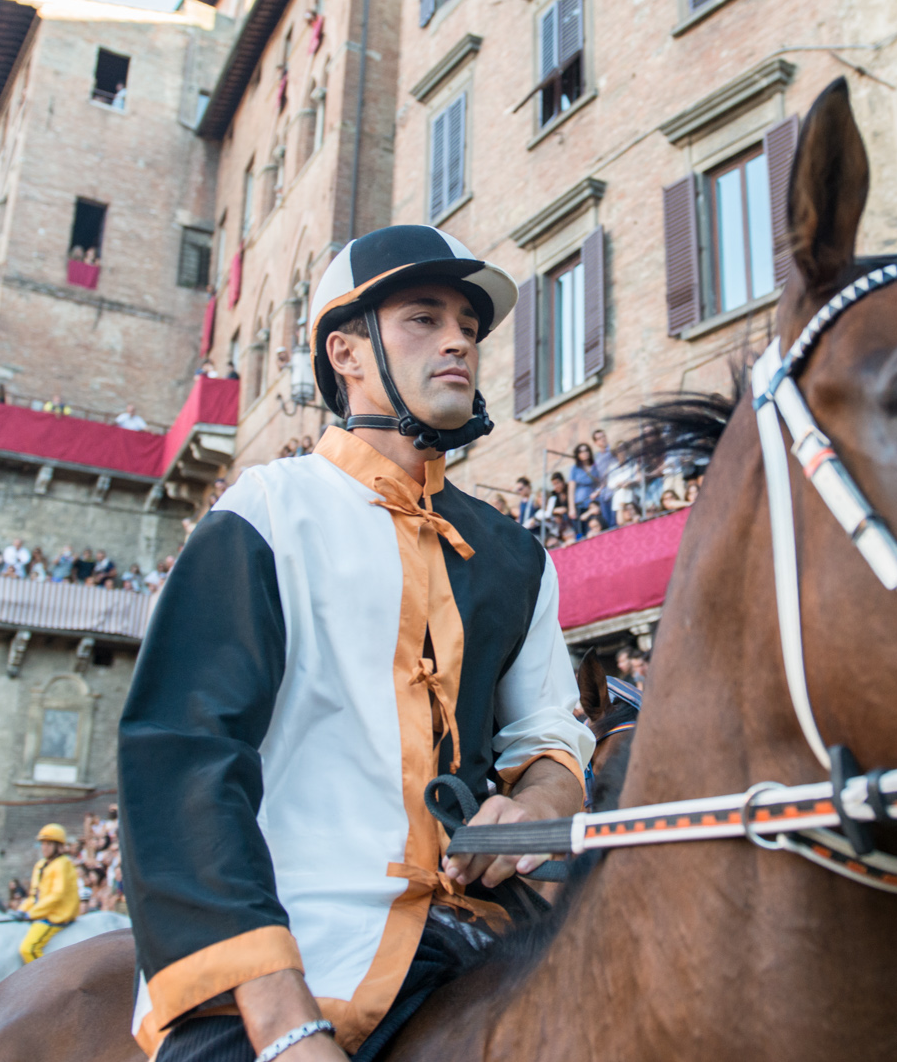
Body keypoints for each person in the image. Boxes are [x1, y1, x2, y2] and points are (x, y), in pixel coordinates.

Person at [120, 225, 591, 1062]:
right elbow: (182, 762)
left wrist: (538, 807)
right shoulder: (263, 513)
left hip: (488, 935)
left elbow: (549, 736)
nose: (458, 339)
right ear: (347, 351)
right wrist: (284, 1022)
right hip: (292, 957)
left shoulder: (517, 554)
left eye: (470, 327)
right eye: (423, 318)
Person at [18, 823, 80, 964]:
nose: (44, 847)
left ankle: (43, 982)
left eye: (48, 844)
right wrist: (21, 910)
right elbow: (34, 896)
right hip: (42, 913)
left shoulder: (63, 864)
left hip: (55, 916)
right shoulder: (40, 865)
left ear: (58, 846)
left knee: (28, 949)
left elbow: (57, 895)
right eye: (42, 843)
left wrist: (32, 913)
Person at [568, 443, 602, 539]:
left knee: (594, 527)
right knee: (580, 531)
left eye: (586, 450)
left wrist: (597, 492)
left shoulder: (595, 466)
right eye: (581, 451)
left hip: (593, 502)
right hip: (580, 503)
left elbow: (601, 482)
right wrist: (571, 507)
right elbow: (571, 489)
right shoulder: (575, 468)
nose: (584, 453)